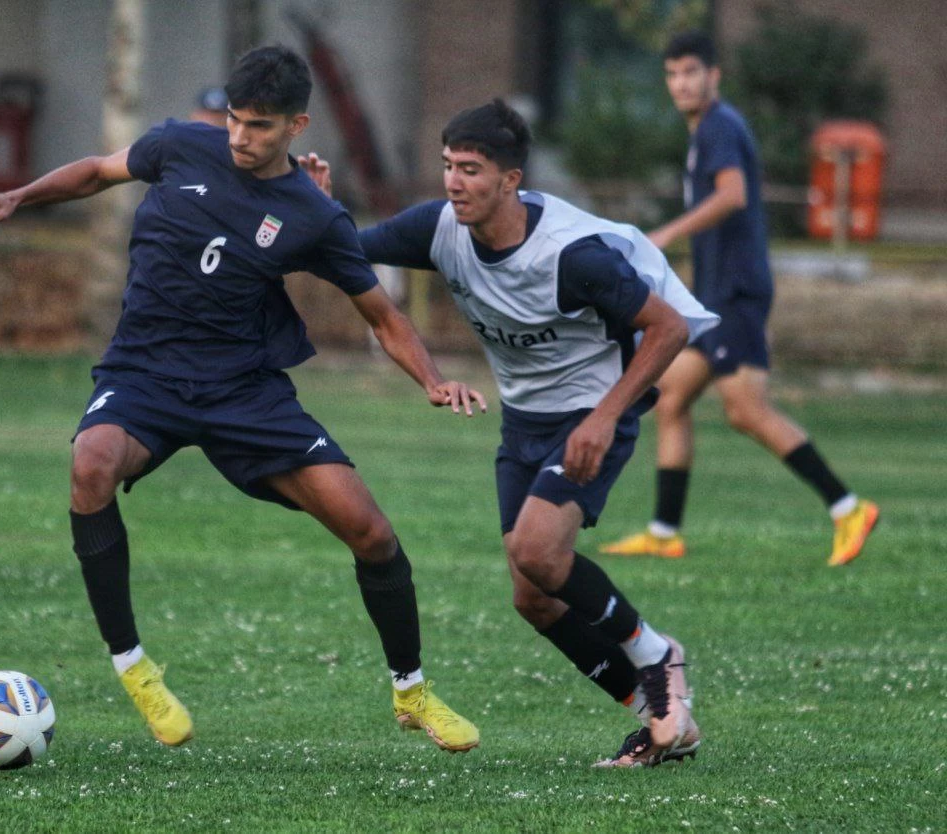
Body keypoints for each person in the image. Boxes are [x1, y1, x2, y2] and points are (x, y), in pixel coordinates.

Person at [0, 45, 483, 752]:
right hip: (145, 373)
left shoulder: (312, 214)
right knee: (91, 463)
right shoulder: (180, 145)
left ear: (296, 125)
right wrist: (18, 196)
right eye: (236, 120)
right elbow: (95, 171)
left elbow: (384, 318)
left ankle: (412, 691)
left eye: (260, 126)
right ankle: (135, 669)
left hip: (244, 390)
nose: (241, 137)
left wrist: (432, 379)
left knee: (373, 533)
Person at [300, 99, 715, 766]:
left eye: (471, 169)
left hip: (590, 416)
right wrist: (318, 211)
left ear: (510, 180)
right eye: (447, 167)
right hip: (523, 423)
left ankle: (657, 656)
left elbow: (667, 329)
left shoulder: (571, 256)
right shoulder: (440, 229)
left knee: (538, 553)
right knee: (534, 598)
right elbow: (344, 251)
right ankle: (659, 717)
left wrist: (606, 417)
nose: (455, 182)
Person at [600, 31, 879, 566]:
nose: (681, 83)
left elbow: (733, 197)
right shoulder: (706, 130)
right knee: (670, 397)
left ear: (713, 76)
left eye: (690, 72)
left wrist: (665, 235)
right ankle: (664, 531)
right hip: (713, 296)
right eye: (672, 74)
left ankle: (848, 508)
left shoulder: (720, 126)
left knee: (748, 411)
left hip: (735, 294)